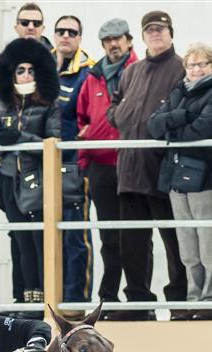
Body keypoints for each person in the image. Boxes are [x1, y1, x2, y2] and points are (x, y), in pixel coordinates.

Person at [108, 11, 186, 320]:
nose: (155, 34)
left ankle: (179, 301)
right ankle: (139, 300)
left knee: (174, 242)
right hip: (129, 170)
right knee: (134, 243)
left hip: (163, 171)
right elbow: (114, 108)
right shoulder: (132, 71)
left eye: (161, 29)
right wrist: (122, 115)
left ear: (170, 33)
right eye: (150, 30)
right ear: (142, 36)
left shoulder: (180, 68)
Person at [147, 43, 212, 321]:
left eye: (203, 64)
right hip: (175, 177)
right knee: (187, 247)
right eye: (192, 65)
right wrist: (180, 117)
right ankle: (194, 298)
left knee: (209, 245)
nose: (197, 70)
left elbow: (203, 129)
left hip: (205, 177)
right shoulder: (178, 93)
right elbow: (154, 126)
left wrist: (174, 124)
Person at [0, 38, 60, 309]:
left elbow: (54, 142)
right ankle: (27, 297)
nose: (26, 75)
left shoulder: (48, 103)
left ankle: (45, 297)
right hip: (9, 180)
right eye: (20, 70)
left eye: (30, 70)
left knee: (39, 239)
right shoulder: (1, 105)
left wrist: (21, 137)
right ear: (11, 73)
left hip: (38, 180)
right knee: (20, 240)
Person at [77, 19, 137, 315]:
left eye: (118, 39)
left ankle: (139, 298)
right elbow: (82, 119)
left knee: (136, 236)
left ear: (129, 40)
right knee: (109, 237)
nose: (114, 45)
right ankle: (108, 298)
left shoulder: (139, 70)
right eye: (108, 40)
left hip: (132, 162)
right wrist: (85, 162)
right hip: (101, 165)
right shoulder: (93, 76)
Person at [52, 15, 95, 304]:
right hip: (43, 166)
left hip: (74, 164)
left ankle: (75, 303)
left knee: (74, 237)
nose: (66, 35)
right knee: (43, 238)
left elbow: (93, 116)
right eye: (61, 31)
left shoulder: (87, 71)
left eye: (72, 31)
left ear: (80, 36)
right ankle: (48, 302)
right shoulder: (41, 68)